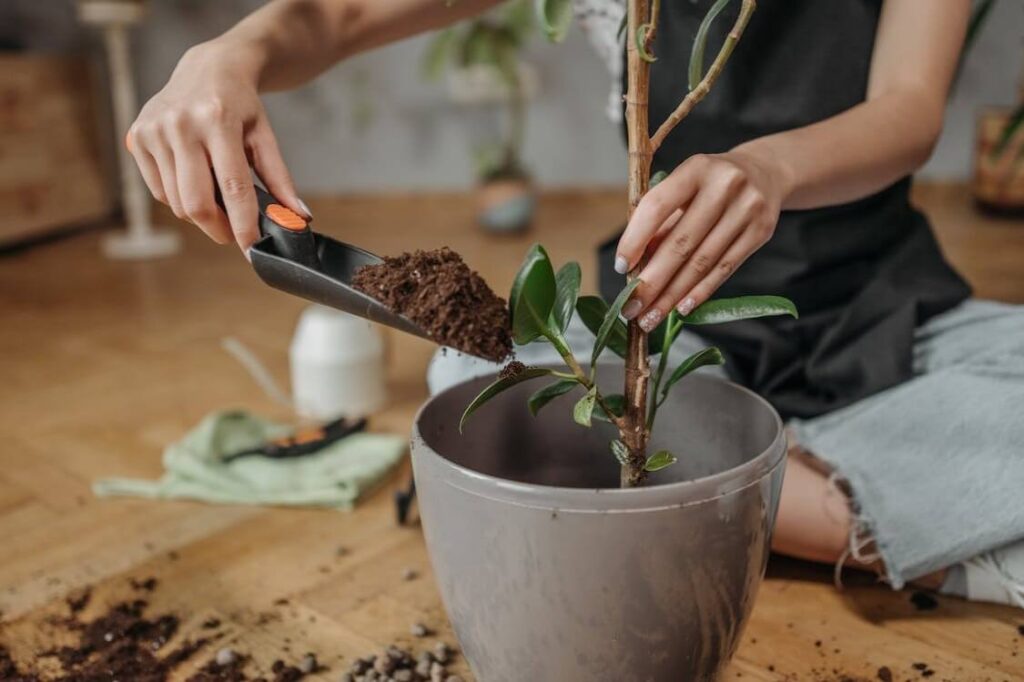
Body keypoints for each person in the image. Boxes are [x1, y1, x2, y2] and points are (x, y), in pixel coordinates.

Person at [128, 0, 1024, 608]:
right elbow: (337, 15)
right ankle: (890, 520)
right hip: (654, 336)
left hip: (882, 308)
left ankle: (642, 493)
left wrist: (769, 169)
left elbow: (908, 110)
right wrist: (227, 53)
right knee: (467, 367)